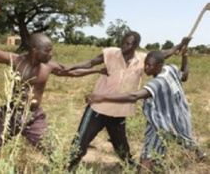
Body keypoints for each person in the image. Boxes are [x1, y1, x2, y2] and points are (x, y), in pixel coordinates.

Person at [0, 0, 106, 160]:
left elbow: (72, 72)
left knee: (53, 153)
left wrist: (97, 70)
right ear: (34, 50)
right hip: (11, 114)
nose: (51, 54)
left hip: (34, 117)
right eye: (47, 51)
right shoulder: (15, 60)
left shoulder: (49, 66)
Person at [66, 30, 191, 171]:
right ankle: (67, 166)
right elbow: (90, 63)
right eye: (122, 43)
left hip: (120, 111)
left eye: (128, 44)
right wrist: (69, 67)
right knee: (81, 141)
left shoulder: (143, 60)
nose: (123, 46)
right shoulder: (111, 53)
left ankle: (128, 165)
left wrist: (181, 44)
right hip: (98, 108)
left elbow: (163, 54)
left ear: (136, 45)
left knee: (121, 144)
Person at [86, 42, 206, 173]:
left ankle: (196, 154)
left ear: (159, 65)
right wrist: (185, 56)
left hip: (168, 120)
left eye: (150, 65)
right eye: (145, 64)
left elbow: (133, 96)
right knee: (163, 146)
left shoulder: (158, 82)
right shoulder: (170, 69)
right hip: (170, 119)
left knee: (173, 143)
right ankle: (197, 155)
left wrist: (102, 97)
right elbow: (184, 75)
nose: (146, 68)